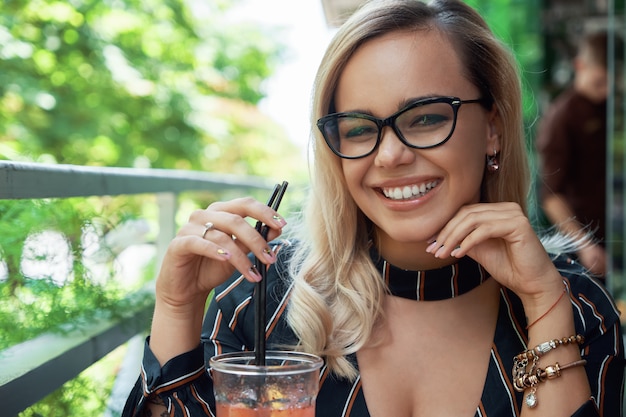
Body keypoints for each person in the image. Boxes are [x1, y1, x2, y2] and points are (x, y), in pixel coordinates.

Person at [122, 1, 625, 416]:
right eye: (359, 129)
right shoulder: (260, 300)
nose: (390, 156)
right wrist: (176, 310)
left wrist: (544, 305)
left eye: (426, 117)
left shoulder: (577, 308)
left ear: (492, 128)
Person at [536, 30, 617, 279]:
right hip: (582, 247)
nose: (607, 92)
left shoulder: (608, 107)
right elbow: (550, 196)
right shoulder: (562, 118)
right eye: (599, 82)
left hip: (612, 233)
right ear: (579, 66)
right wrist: (584, 244)